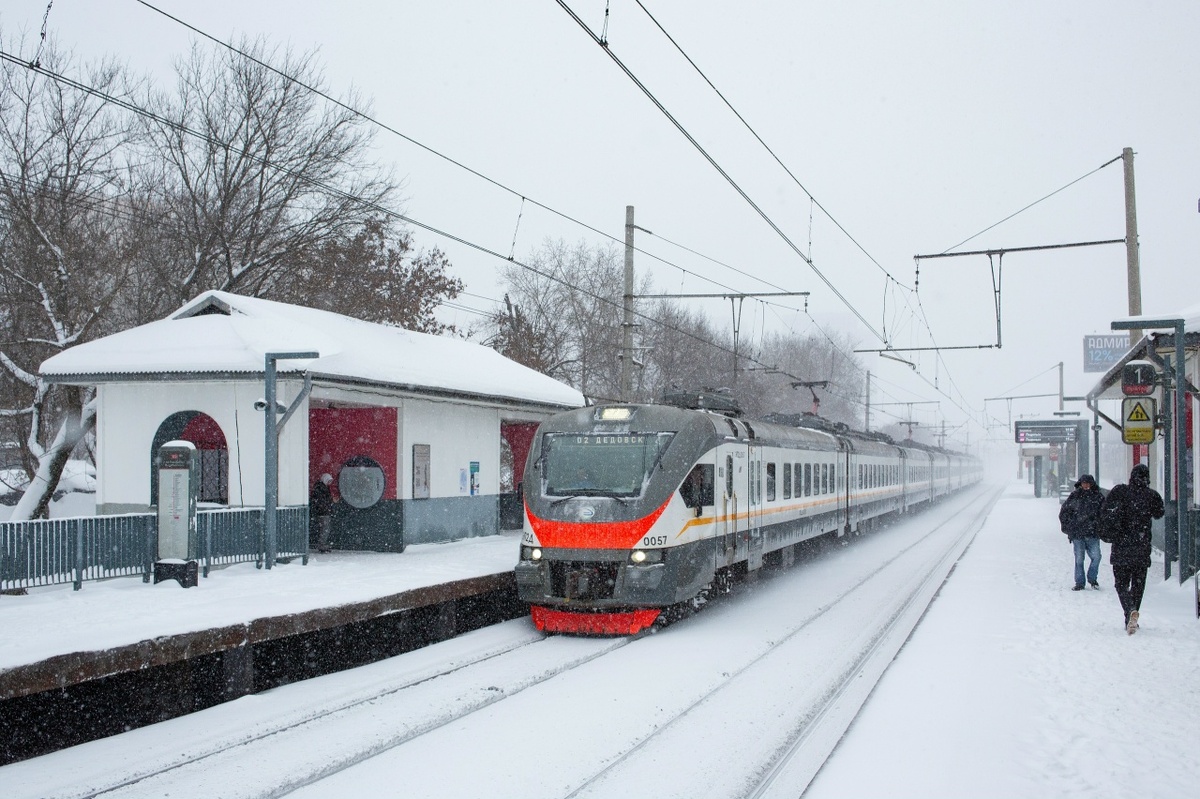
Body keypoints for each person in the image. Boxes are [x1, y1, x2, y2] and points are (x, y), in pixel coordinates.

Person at [1098, 463, 1164, 634]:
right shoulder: (1151, 496)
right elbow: (1159, 513)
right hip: (1142, 548)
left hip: (1121, 546)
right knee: (1138, 585)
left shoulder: (1120, 492)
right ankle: (1131, 616)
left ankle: (1129, 612)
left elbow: (1104, 511)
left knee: (1120, 584)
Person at [1058, 473, 1103, 591]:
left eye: (1088, 483)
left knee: (1095, 557)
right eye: (1084, 483)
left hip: (1090, 533)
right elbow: (1064, 513)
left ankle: (1089, 579)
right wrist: (1069, 528)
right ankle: (1082, 582)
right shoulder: (1077, 496)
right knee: (1081, 558)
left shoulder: (1097, 497)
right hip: (1080, 534)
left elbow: (1103, 514)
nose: (1086, 485)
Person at [309, 473, 335, 553]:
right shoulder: (322, 488)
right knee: (325, 529)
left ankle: (322, 544)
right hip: (323, 512)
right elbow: (321, 501)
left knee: (324, 529)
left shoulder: (319, 487)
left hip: (322, 511)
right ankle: (322, 545)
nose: (329, 483)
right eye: (328, 481)